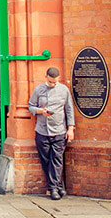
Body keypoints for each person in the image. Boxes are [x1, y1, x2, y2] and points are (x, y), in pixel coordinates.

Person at [28, 67, 75, 200]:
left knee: (57, 160)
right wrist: (40, 111)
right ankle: (58, 185)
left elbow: (69, 110)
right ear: (46, 77)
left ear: (58, 79)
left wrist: (71, 128)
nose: (52, 84)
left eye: (54, 82)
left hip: (59, 130)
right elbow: (30, 106)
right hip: (42, 130)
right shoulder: (38, 90)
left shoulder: (64, 90)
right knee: (46, 160)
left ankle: (53, 188)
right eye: (50, 82)